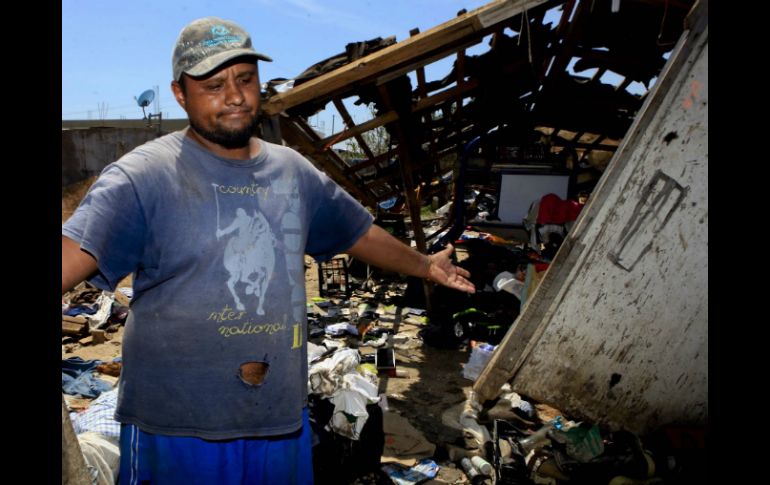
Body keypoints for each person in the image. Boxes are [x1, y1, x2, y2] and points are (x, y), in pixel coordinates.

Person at [61, 16, 475, 484]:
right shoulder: (143, 177)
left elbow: (356, 233)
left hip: (279, 421)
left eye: (245, 79)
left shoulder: (292, 172)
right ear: (180, 94)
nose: (234, 96)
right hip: (178, 429)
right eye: (214, 84)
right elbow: (70, 256)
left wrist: (425, 265)